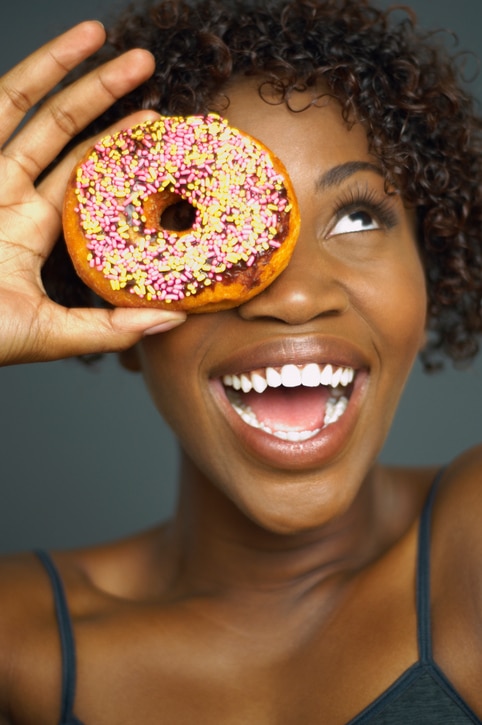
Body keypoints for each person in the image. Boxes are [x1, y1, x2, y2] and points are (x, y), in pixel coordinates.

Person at [0, 0, 481, 722]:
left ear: (431, 267)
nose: (293, 298)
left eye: (356, 216)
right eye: (194, 224)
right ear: (106, 302)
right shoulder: (19, 643)